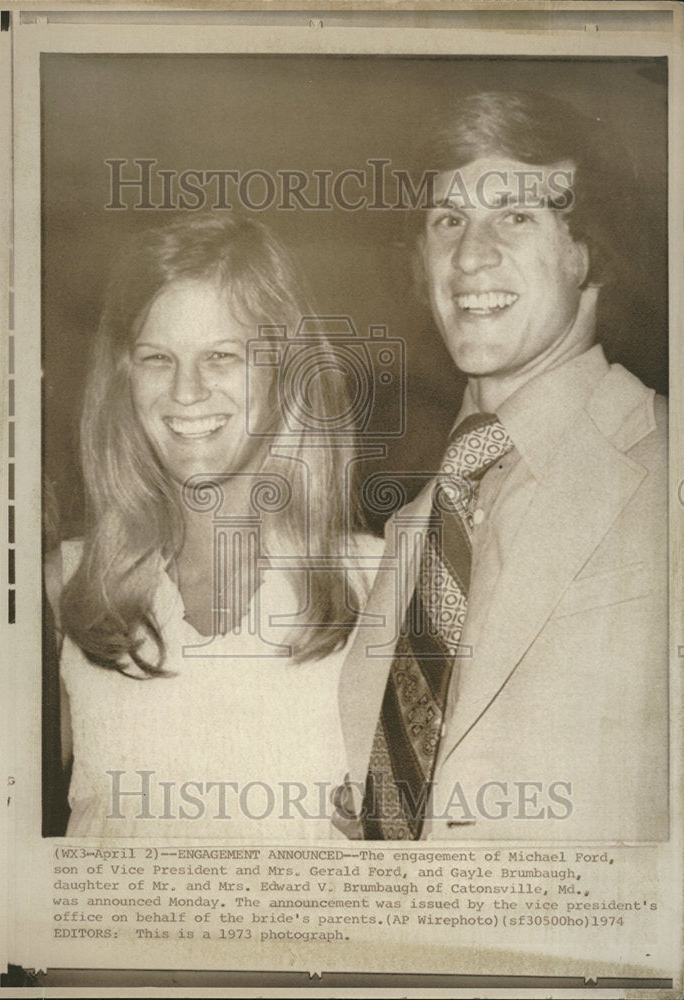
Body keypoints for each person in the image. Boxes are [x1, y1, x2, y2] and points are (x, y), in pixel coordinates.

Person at [334, 91, 668, 841]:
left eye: (515, 214)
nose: (469, 255)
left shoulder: (667, 471)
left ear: (591, 248)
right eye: (447, 220)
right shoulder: (412, 523)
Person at [45, 212, 383, 838]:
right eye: (157, 359)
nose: (187, 392)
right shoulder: (62, 588)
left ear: (287, 373)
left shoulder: (382, 580)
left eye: (222, 356)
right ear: (124, 377)